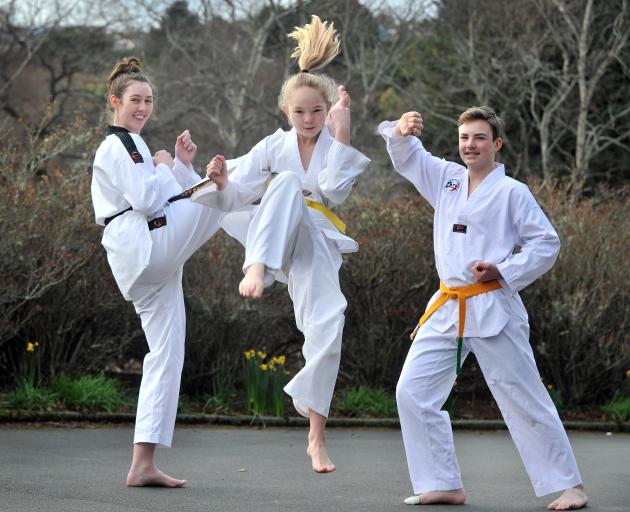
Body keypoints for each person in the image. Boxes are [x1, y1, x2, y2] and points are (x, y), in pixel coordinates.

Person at [378, 107, 588, 510]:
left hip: (493, 305)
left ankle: (571, 486)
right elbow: (409, 158)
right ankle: (442, 483)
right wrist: (402, 133)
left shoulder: (513, 192)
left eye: (478, 138)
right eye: (463, 138)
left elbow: (547, 243)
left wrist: (502, 270)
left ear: (495, 144)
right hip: (446, 305)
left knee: (524, 396)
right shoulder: (446, 179)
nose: (469, 145)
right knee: (412, 392)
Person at [192, 15, 370, 474]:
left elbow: (335, 190)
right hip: (271, 235)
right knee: (286, 182)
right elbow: (233, 192)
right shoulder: (275, 145)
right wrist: (218, 176)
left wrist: (343, 128)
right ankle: (256, 268)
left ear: (327, 108)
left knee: (329, 326)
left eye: (316, 112)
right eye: (299, 113)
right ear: (285, 113)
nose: (309, 120)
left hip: (317, 241)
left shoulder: (333, 139)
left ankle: (315, 438)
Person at [91, 57, 221, 487]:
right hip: (145, 245)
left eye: (148, 100)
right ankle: (271, 247)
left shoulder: (132, 145)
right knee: (226, 188)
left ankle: (142, 464)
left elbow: (163, 197)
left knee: (166, 355)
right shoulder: (124, 142)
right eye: (134, 100)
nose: (142, 107)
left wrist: (180, 166)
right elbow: (150, 201)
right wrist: (169, 168)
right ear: (115, 102)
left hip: (143, 260)